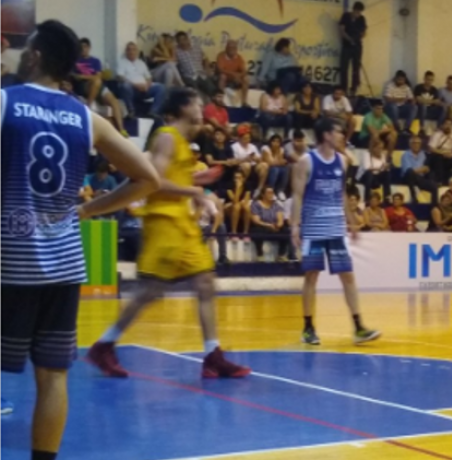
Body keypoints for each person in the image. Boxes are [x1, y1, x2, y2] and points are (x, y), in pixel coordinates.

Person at [1, 20, 160, 460]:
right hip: (65, 264)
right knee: (53, 377)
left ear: (35, 56)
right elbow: (148, 178)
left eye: (24, 50)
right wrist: (88, 210)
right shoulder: (87, 118)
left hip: (10, 260)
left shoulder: (5, 101)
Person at [87, 86, 251, 378]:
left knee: (205, 283)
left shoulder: (182, 143)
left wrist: (196, 179)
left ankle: (213, 355)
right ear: (183, 107)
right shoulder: (166, 137)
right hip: (163, 221)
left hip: (182, 223)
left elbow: (172, 178)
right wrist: (194, 190)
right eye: (197, 103)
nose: (201, 108)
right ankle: (105, 344)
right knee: (151, 291)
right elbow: (153, 182)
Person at [291, 117, 380, 345]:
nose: (342, 136)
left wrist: (351, 221)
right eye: (338, 132)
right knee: (311, 276)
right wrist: (295, 226)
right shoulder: (306, 162)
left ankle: (359, 327)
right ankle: (308, 328)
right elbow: (298, 196)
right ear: (327, 135)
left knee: (347, 276)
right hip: (314, 227)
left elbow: (341, 194)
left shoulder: (342, 161)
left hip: (336, 227)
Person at [116, 41, 166, 117]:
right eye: (129, 50)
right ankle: (131, 111)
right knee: (125, 86)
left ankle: (153, 112)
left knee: (161, 87)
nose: (131, 52)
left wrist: (147, 86)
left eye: (134, 49)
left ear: (137, 52)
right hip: (132, 89)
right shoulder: (122, 62)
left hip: (144, 88)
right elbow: (120, 77)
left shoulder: (141, 63)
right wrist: (136, 85)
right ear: (126, 52)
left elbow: (149, 77)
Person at [250, 187, 292, 261]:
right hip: (262, 226)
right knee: (256, 231)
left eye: (272, 193)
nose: (271, 195)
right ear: (263, 195)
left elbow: (280, 219)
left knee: (287, 231)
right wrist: (268, 225)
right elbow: (256, 220)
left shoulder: (276, 205)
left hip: (274, 227)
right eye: (269, 193)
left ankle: (281, 255)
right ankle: (260, 255)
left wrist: (278, 225)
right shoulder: (256, 204)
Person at [401, 136, 439, 204]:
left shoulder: (424, 154)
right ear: (410, 144)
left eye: (418, 143)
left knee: (434, 186)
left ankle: (434, 205)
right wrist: (422, 169)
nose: (416, 145)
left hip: (420, 178)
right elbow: (409, 170)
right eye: (414, 143)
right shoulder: (406, 155)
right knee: (410, 173)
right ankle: (413, 197)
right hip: (408, 178)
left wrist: (425, 169)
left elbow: (427, 168)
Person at [339, 1, 367, 95]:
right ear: (354, 10)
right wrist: (349, 39)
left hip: (357, 46)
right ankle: (344, 89)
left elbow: (364, 32)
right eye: (357, 12)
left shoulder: (362, 19)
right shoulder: (346, 16)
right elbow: (342, 31)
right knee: (344, 67)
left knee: (356, 68)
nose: (358, 14)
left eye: (360, 12)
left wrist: (359, 37)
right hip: (347, 45)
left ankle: (353, 89)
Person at [215, 39, 249, 107]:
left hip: (234, 79)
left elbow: (244, 71)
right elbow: (220, 70)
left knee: (246, 79)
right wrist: (233, 74)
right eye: (230, 47)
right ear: (226, 48)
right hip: (224, 77)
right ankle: (221, 101)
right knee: (223, 76)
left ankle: (244, 102)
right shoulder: (221, 56)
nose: (232, 49)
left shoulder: (238, 57)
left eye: (234, 48)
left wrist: (239, 76)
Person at [357, 138, 392, 203]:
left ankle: (387, 197)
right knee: (369, 174)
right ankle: (367, 199)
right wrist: (380, 167)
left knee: (387, 173)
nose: (380, 150)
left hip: (376, 177)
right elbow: (367, 168)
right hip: (364, 177)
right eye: (378, 148)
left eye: (382, 148)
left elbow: (383, 168)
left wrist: (385, 167)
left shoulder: (382, 155)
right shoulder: (366, 154)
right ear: (373, 148)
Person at [261, 134, 290, 200]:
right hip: (266, 168)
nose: (275, 143)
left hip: (276, 167)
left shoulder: (281, 150)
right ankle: (271, 190)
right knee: (275, 169)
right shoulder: (265, 148)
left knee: (286, 169)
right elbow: (270, 163)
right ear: (270, 142)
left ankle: (280, 191)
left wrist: (278, 152)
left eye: (278, 142)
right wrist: (280, 162)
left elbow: (283, 162)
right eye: (273, 141)